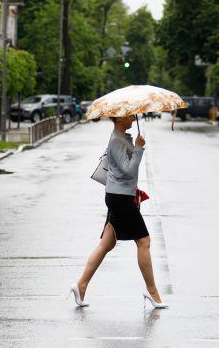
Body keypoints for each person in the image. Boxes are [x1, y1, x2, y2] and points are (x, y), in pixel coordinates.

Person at [69, 115, 168, 309]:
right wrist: (139, 147)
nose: (134, 116)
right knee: (144, 242)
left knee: (106, 244)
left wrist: (135, 144)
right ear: (120, 118)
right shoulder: (116, 140)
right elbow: (128, 171)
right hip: (121, 199)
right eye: (130, 114)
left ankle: (80, 285)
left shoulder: (121, 138)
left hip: (119, 196)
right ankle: (152, 291)